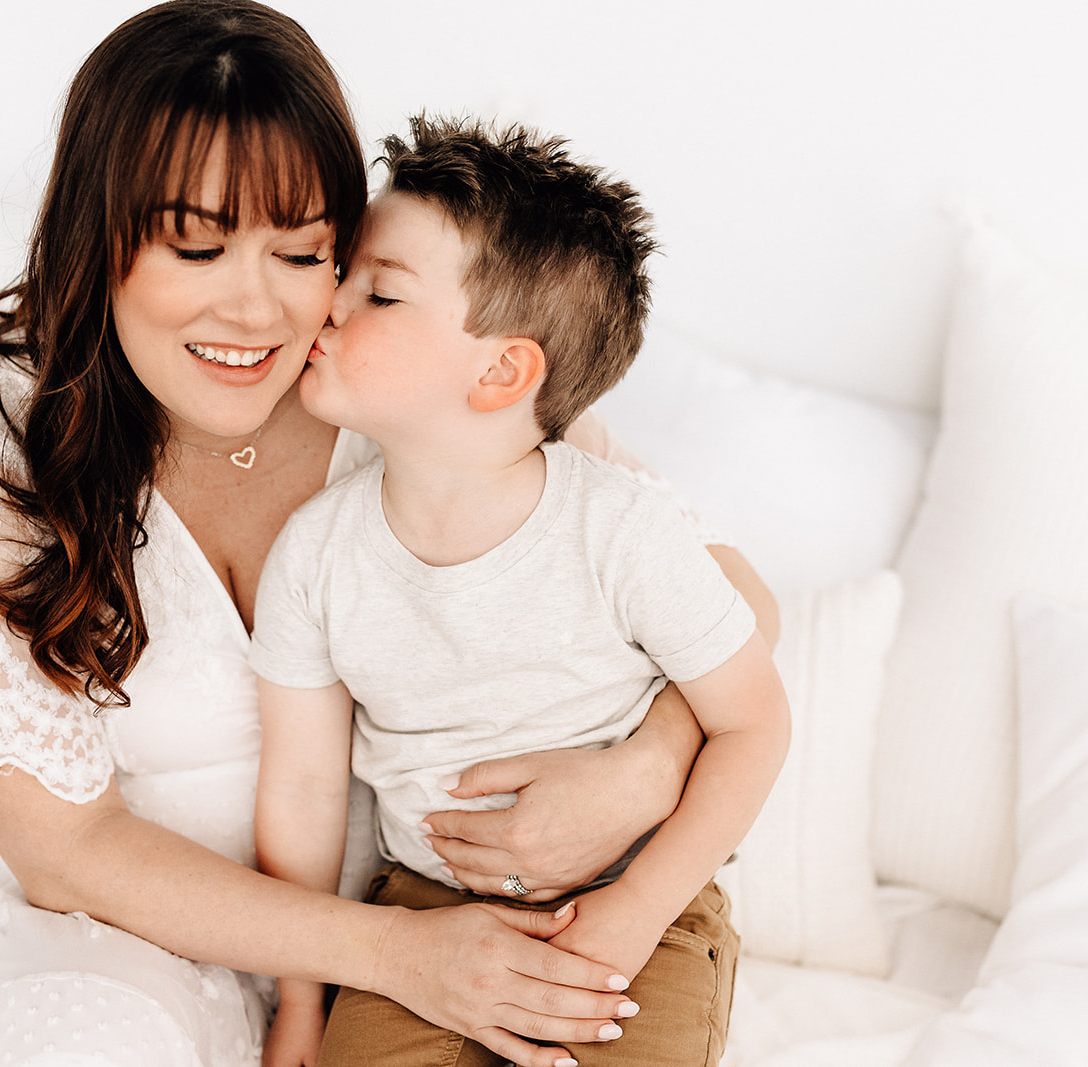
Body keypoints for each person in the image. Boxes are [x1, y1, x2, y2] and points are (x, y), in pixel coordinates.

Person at [0, 3, 778, 1065]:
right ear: (101, 234)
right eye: (197, 245)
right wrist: (396, 957)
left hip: (437, 919)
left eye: (303, 252)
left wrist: (641, 771)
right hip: (128, 933)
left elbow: (729, 600)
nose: (256, 311)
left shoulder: (409, 387)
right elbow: (65, 852)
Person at [249, 116, 792, 1067]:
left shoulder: (618, 526)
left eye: (379, 292)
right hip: (418, 910)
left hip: (638, 909)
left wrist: (634, 910)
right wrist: (301, 998)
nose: (329, 304)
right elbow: (301, 786)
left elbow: (755, 723)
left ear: (502, 372)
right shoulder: (315, 555)